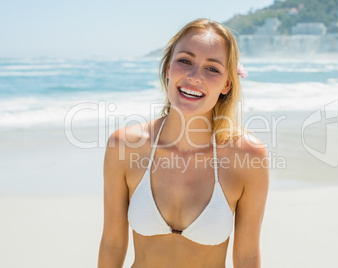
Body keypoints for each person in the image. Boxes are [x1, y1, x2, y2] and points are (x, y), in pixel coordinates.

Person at [98, 18, 269, 268]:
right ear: (168, 68)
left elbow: (246, 256)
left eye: (212, 68)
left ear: (227, 84)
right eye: (185, 61)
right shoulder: (123, 146)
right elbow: (112, 243)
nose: (194, 77)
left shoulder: (249, 156)